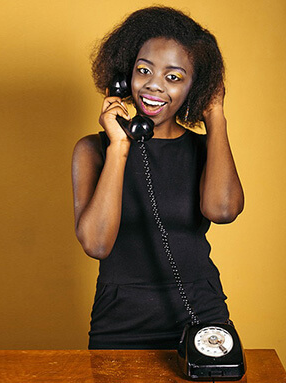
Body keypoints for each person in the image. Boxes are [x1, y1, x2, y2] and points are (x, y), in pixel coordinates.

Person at [71, 6, 244, 350]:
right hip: (119, 322)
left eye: (174, 77)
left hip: (201, 317)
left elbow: (222, 210)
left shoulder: (204, 150)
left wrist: (216, 117)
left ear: (196, 87)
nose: (153, 86)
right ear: (125, 75)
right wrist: (120, 147)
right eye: (144, 70)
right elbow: (97, 244)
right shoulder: (93, 150)